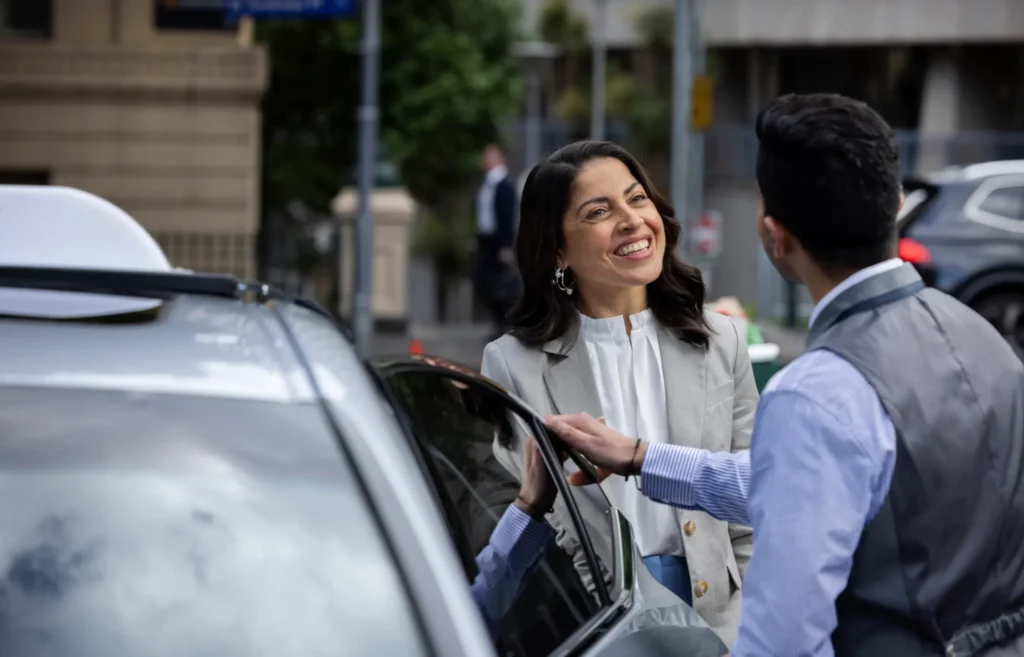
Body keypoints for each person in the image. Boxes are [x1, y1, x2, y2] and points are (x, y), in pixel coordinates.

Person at [544, 93, 1024, 657]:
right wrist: (641, 457)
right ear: (894, 202)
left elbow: (785, 640)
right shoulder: (983, 335)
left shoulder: (818, 393)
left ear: (777, 236)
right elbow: (814, 487)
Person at [481, 140, 758, 644]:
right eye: (599, 211)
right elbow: (520, 520)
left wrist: (744, 635)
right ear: (557, 248)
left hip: (722, 622)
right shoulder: (511, 364)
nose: (631, 220)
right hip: (597, 626)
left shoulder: (722, 340)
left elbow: (754, 513)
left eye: (638, 199)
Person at [475, 144, 519, 339]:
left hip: (498, 241)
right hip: (486, 238)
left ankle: (503, 323)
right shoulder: (487, 183)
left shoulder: (503, 184)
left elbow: (507, 216)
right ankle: (498, 323)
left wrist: (506, 245)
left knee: (499, 284)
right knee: (487, 282)